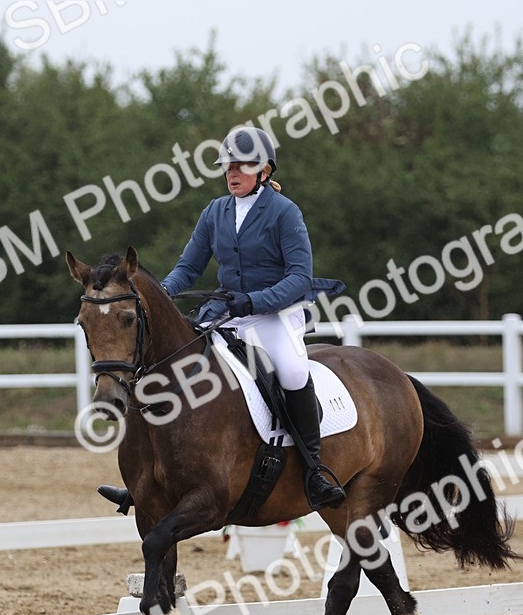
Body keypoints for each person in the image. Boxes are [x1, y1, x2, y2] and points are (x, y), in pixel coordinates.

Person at [100, 126, 346, 512]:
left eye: (242, 166)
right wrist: (158, 296)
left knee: (294, 371)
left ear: (264, 171)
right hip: (226, 314)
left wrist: (256, 300)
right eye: (228, 166)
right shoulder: (215, 211)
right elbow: (188, 266)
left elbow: (299, 276)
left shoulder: (285, 212)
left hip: (274, 314)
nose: (232, 173)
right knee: (174, 367)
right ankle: (146, 481)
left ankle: (315, 469)